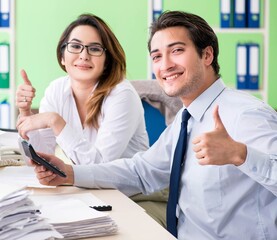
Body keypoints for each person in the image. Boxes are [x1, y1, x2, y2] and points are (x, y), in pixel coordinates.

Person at [33, 11, 277, 240]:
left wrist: (240, 154)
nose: (166, 65)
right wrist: (69, 173)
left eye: (177, 50)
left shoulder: (245, 114)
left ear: (207, 55)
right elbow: (140, 172)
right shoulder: (186, 120)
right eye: (157, 56)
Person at [16, 14, 149, 165]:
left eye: (94, 49)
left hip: (127, 187)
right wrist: (25, 114)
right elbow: (40, 158)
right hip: (88, 186)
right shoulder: (56, 90)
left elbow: (99, 165)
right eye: (75, 46)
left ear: (106, 61)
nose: (84, 55)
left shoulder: (123, 95)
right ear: (62, 57)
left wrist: (54, 121)